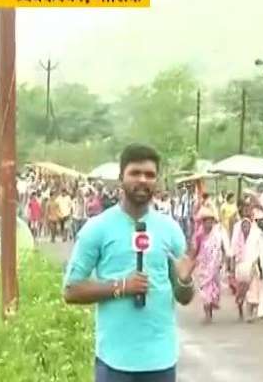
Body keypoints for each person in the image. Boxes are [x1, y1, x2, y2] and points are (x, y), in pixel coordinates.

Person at [63, 144, 196, 382]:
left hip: (161, 361)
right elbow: (71, 291)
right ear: (121, 178)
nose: (143, 180)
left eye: (150, 175)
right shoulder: (97, 229)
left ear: (158, 181)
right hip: (114, 361)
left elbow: (184, 298)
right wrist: (121, 287)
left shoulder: (171, 230)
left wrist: (185, 281)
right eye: (135, 173)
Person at [193, 207, 229, 323]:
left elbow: (223, 249)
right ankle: (207, 314)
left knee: (213, 291)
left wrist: (224, 261)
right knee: (205, 292)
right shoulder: (199, 235)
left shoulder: (218, 234)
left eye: (210, 222)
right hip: (203, 267)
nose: (208, 224)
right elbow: (195, 249)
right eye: (206, 222)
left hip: (216, 267)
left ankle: (210, 310)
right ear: (202, 223)